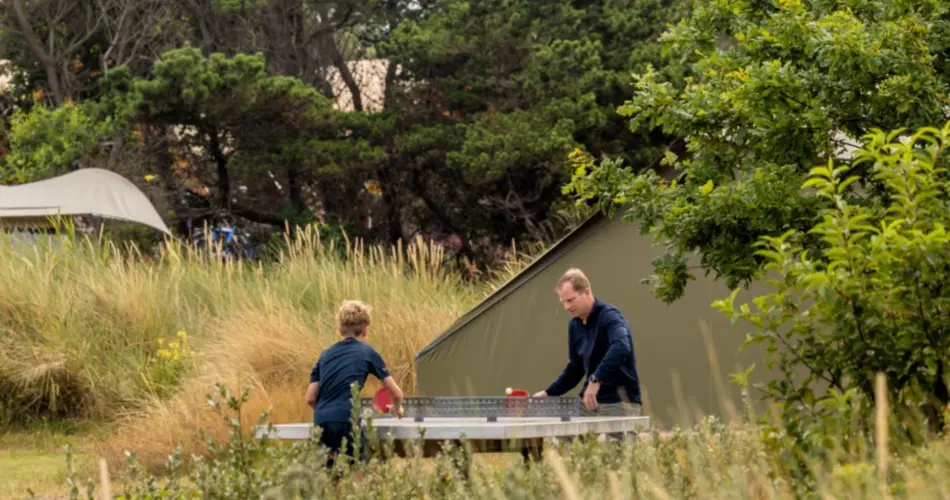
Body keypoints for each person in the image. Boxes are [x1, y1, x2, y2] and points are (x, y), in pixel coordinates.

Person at [533, 268, 642, 439]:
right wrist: (548, 393)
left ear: (586, 292)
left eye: (570, 300)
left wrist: (595, 380)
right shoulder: (574, 325)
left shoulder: (610, 316)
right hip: (588, 402)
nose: (566, 307)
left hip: (621, 401)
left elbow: (621, 346)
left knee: (617, 453)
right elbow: (575, 367)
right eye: (563, 302)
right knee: (562, 437)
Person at [304, 299, 405, 469]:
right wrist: (397, 407)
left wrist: (328, 412)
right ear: (365, 330)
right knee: (356, 471)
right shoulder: (368, 352)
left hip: (321, 419)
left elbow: (310, 398)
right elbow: (396, 393)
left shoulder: (324, 355)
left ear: (340, 330)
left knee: (328, 474)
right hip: (347, 418)